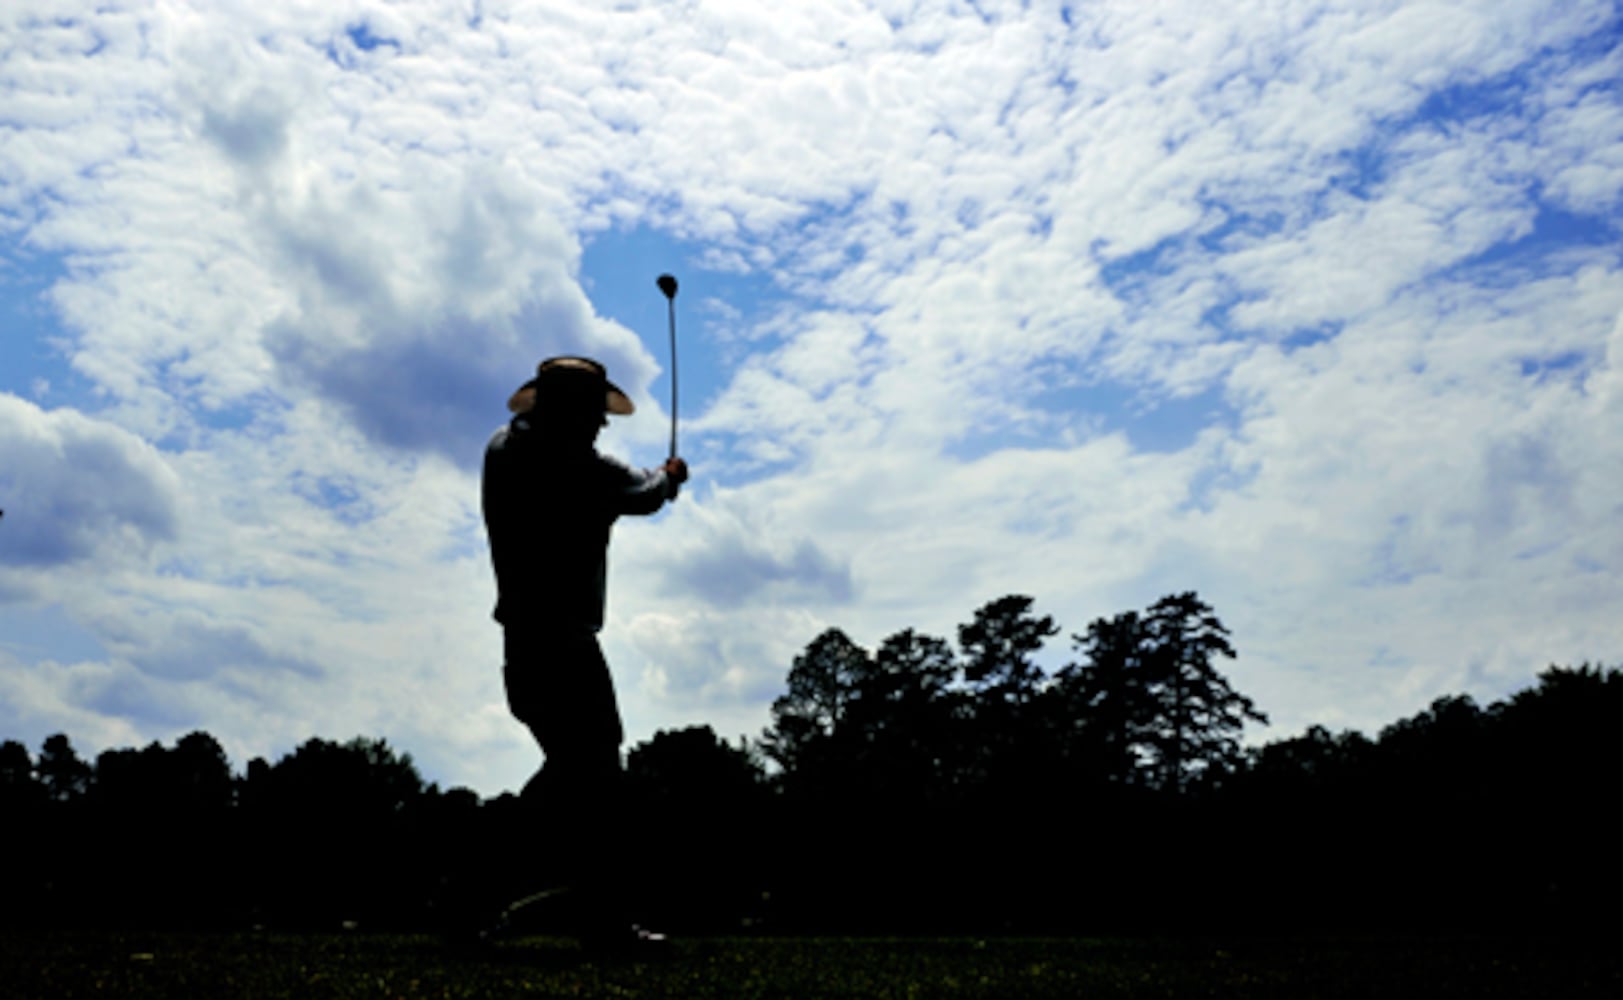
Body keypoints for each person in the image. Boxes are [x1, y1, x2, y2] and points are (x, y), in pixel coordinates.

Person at [481, 355, 687, 953]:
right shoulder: (579, 466)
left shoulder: (501, 449)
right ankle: (511, 892)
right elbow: (647, 493)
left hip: (522, 641)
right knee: (592, 772)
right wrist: (670, 474)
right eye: (595, 415)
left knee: (580, 774)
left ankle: (514, 896)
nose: (601, 426)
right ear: (573, 414)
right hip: (562, 641)